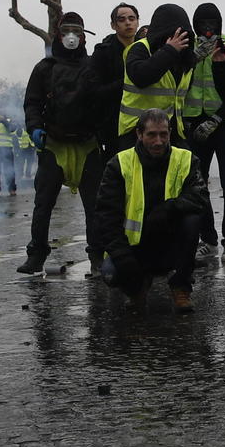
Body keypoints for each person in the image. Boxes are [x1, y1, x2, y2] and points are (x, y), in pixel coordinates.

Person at [93, 108, 212, 314]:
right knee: (112, 273)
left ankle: (181, 286)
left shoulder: (186, 159)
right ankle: (138, 286)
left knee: (192, 219)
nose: (158, 141)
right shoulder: (119, 164)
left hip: (171, 243)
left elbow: (200, 198)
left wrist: (169, 208)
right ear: (139, 134)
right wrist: (123, 258)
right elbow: (106, 217)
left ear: (170, 133)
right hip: (135, 246)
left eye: (163, 134)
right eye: (151, 135)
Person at [18, 12, 108, 276]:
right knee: (43, 204)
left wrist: (102, 131)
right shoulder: (43, 68)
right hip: (54, 145)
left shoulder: (93, 67)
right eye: (66, 31)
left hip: (87, 144)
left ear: (84, 37)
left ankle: (97, 256)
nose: (71, 37)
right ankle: (36, 256)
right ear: (58, 35)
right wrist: (34, 127)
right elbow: (32, 103)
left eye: (76, 32)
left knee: (95, 205)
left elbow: (104, 101)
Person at [182, 3, 225, 263]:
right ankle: (207, 239)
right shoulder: (186, 47)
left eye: (212, 24)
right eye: (202, 25)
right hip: (195, 122)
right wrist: (190, 59)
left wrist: (218, 118)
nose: (207, 30)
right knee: (198, 184)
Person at [119, 4, 198, 151]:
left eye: (183, 34)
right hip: (137, 132)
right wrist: (169, 51)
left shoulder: (186, 57)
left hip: (171, 132)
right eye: (174, 34)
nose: (179, 38)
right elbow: (141, 77)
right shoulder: (140, 48)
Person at [89, 3, 139, 158]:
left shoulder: (146, 49)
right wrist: (126, 83)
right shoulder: (103, 53)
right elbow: (94, 91)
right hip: (112, 125)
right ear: (113, 25)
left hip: (141, 124)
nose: (128, 23)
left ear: (138, 22)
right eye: (122, 19)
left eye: (132, 18)